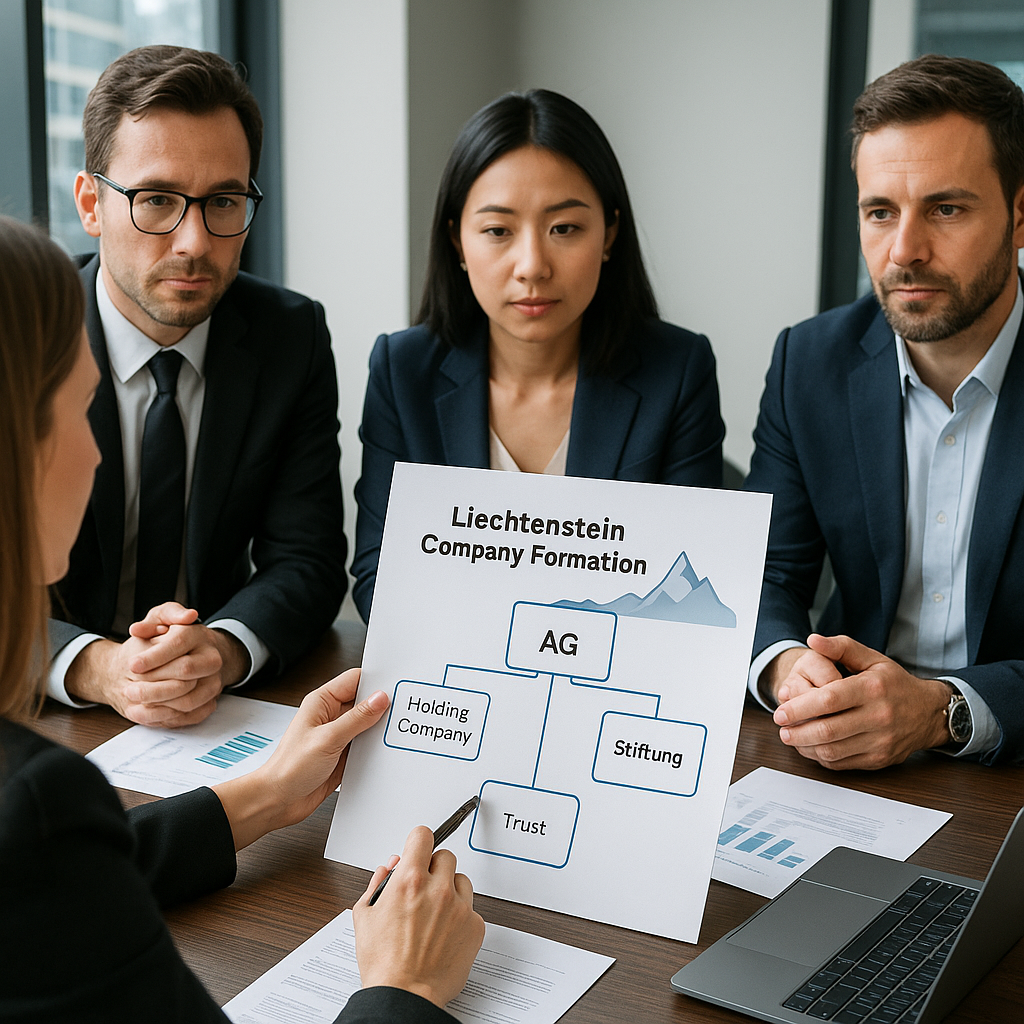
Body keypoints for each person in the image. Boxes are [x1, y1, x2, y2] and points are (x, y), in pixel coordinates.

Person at [0, 215, 484, 1022]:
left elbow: (43, 879)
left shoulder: (41, 836)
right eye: (81, 408)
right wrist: (402, 990)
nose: (92, 450)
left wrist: (260, 796)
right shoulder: (38, 803)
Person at [48, 45, 347, 727]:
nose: (192, 240)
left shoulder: (288, 335)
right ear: (92, 204)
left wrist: (221, 648)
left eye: (223, 201)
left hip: (213, 712)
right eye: (156, 200)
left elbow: (307, 557)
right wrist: (97, 667)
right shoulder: (20, 335)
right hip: (47, 716)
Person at [745, 54, 1024, 769]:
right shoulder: (809, 363)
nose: (905, 251)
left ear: (1020, 215)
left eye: (946, 208)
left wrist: (944, 710)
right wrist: (784, 666)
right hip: (839, 753)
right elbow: (767, 574)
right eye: (880, 212)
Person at [351, 89, 724, 621]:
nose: (532, 265)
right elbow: (378, 574)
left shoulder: (678, 370)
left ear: (609, 234)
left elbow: (691, 588)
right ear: (457, 240)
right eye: (498, 231)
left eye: (564, 228)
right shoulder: (402, 370)